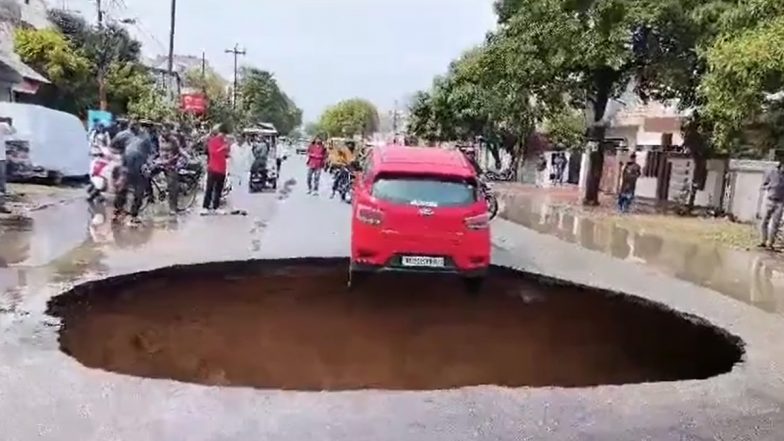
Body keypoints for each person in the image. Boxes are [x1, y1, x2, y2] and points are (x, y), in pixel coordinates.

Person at [114, 126, 154, 226]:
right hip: (137, 164)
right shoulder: (146, 138)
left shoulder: (126, 135)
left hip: (126, 163)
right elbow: (151, 154)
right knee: (139, 190)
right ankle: (133, 215)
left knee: (123, 187)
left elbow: (114, 146)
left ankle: (118, 209)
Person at [201, 123, 230, 215]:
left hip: (222, 168)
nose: (223, 136)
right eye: (222, 134)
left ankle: (216, 206)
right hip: (213, 167)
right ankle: (205, 206)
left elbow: (227, 154)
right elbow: (213, 152)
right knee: (209, 188)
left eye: (225, 134)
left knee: (219, 189)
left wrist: (226, 147)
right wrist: (222, 148)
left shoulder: (225, 142)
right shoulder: (212, 141)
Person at [759, 159, 784, 249]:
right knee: (764, 221)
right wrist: (769, 186)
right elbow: (763, 185)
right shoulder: (772, 173)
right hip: (770, 200)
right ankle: (763, 241)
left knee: (775, 223)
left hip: (780, 202)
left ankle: (770, 243)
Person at [0, 117, 14, 214]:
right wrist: (8, 122)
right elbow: (12, 131)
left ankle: (1, 204)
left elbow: (12, 131)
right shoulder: (2, 125)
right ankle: (1, 205)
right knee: (1, 183)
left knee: (1, 183)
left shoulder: (2, 126)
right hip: (0, 158)